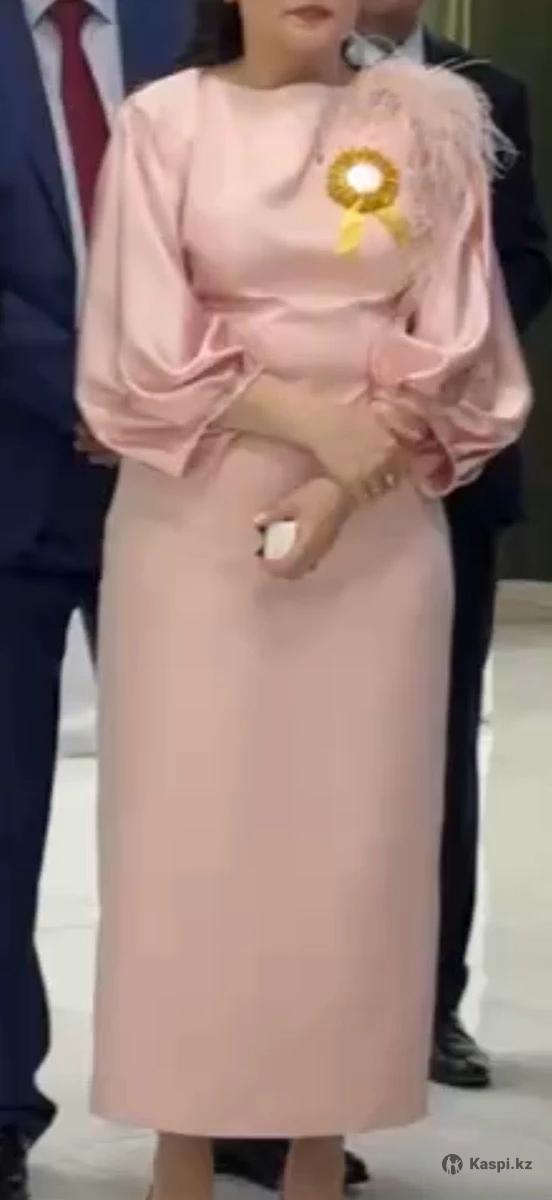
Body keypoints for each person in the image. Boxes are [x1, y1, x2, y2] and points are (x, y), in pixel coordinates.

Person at [78, 1, 531, 1198]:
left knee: (354, 846)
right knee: (191, 841)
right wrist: (308, 424)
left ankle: (321, 1149)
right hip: (194, 520)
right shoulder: (164, 121)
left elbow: (464, 343)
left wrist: (345, 477)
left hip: (379, 527)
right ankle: (183, 1148)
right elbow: (136, 342)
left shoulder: (427, 124)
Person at [0, 4, 191, 1199]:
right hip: (14, 475)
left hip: (200, 488)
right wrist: (90, 383)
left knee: (213, 819)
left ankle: (230, 1105)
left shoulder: (203, 25)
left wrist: (170, 396)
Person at [348, 0, 552, 1095]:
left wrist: (438, 351)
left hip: (451, 468)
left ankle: (430, 1006)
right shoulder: (283, 86)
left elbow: (526, 261)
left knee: (435, 738)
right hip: (297, 457)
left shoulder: (490, 94)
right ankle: (315, 999)